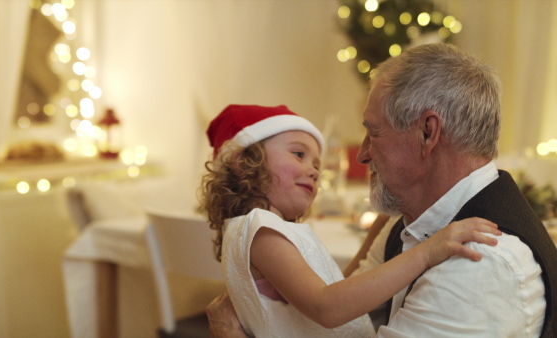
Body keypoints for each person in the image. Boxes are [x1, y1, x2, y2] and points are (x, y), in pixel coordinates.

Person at [205, 43, 557, 337]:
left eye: (373, 132)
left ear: (427, 133)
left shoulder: (481, 264)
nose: (361, 154)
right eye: (298, 154)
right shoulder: (409, 226)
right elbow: (338, 302)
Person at [199, 103, 501, 337]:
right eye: (298, 154)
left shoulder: (263, 230)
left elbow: (337, 289)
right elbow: (327, 306)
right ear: (244, 162)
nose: (314, 170)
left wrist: (376, 233)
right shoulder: (261, 231)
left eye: (316, 163)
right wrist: (428, 251)